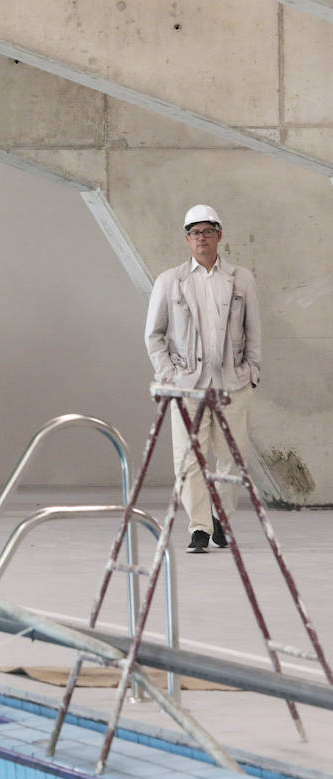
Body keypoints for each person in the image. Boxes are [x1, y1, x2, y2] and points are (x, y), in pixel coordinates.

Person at [144, 204, 261, 554]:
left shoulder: (241, 279)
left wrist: (252, 371)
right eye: (195, 232)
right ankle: (199, 527)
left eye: (208, 231)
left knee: (232, 456)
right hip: (188, 386)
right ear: (187, 239)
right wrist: (170, 375)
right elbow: (154, 335)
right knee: (188, 457)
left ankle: (219, 518)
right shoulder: (171, 280)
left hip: (232, 383)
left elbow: (253, 331)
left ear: (219, 235)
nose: (201, 238)